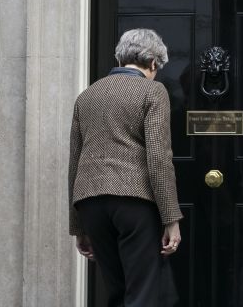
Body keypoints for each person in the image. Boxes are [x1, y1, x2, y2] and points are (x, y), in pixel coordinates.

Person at [68, 28, 183, 307]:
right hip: (134, 203)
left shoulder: (87, 96)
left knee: (117, 292)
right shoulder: (153, 91)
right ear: (153, 63)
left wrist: (78, 226)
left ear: (120, 59)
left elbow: (75, 163)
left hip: (91, 204)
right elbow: (158, 158)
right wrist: (171, 219)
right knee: (142, 293)